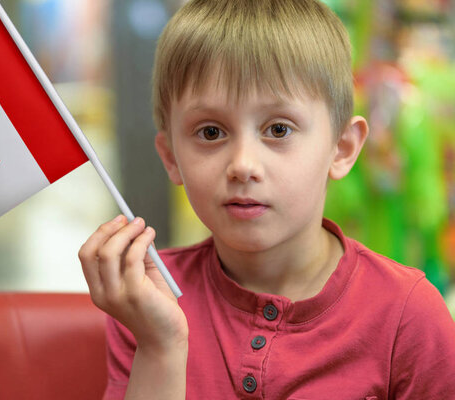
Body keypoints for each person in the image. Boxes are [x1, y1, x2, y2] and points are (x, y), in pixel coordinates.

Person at [78, 0, 455, 398]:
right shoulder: (147, 298)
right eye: (210, 132)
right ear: (171, 157)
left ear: (342, 148)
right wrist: (160, 346)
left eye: (278, 129)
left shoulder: (409, 316)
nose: (243, 165)